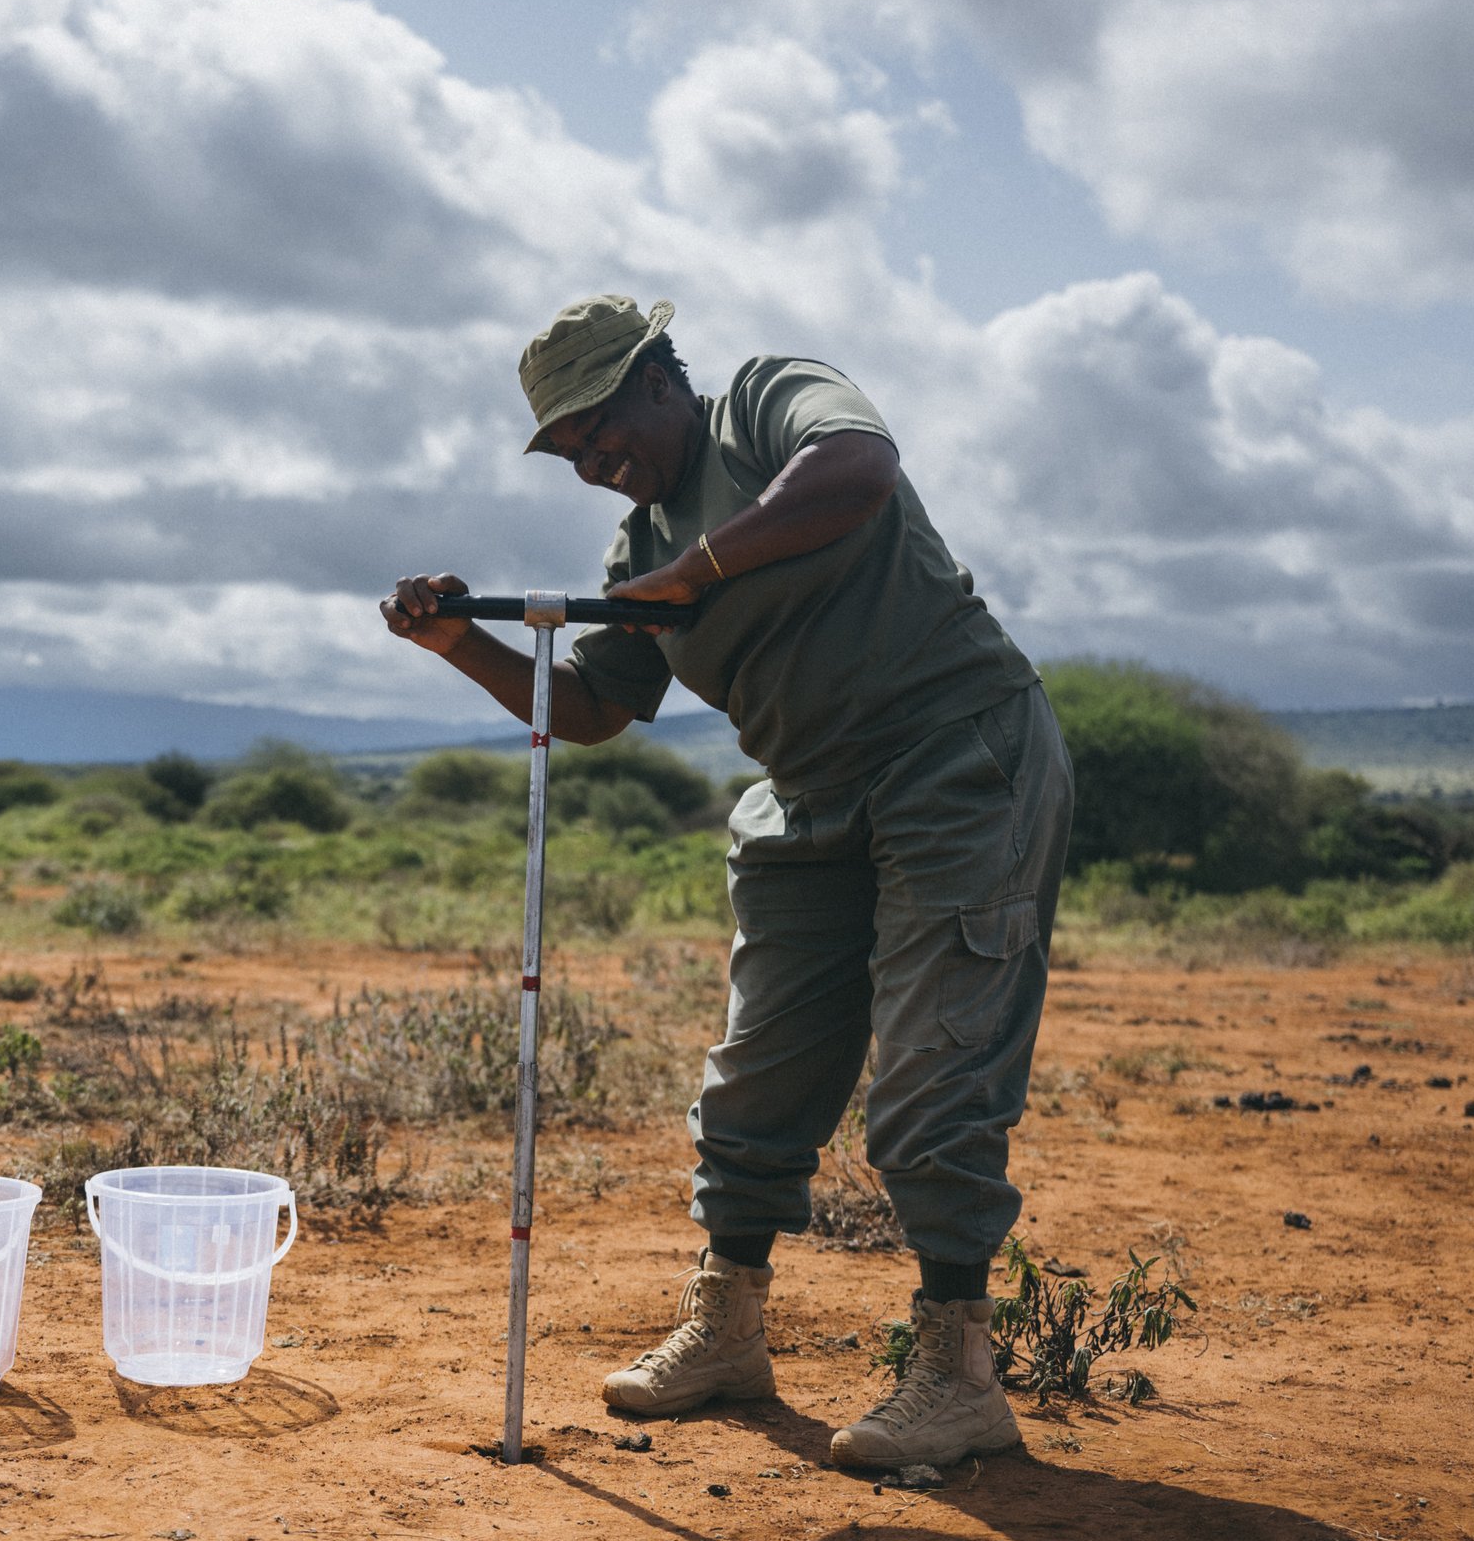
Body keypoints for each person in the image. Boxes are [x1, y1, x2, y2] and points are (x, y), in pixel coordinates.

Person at [380, 295, 1073, 1471]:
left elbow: (858, 467)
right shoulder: (635, 551)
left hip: (956, 756)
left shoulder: (762, 405)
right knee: (757, 1075)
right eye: (569, 452)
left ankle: (959, 1370)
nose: (594, 465)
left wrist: (700, 567)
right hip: (807, 787)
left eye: (600, 431)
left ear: (658, 380)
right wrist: (456, 641)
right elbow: (590, 706)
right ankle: (728, 1329)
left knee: (933, 1072)